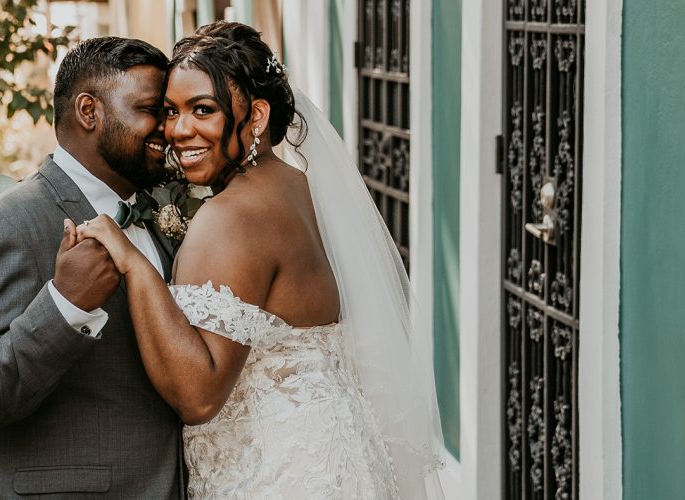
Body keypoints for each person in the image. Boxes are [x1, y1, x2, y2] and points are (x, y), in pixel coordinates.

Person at [76, 21, 445, 498]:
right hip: (337, 458)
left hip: (273, 474)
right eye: (171, 111)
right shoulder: (302, 191)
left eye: (202, 110)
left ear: (256, 116)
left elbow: (198, 395)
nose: (177, 130)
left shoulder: (231, 218)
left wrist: (133, 264)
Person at [0, 37, 187, 498]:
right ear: (88, 111)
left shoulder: (162, 214)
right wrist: (66, 306)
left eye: (170, 112)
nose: (168, 129)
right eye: (152, 110)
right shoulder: (7, 225)